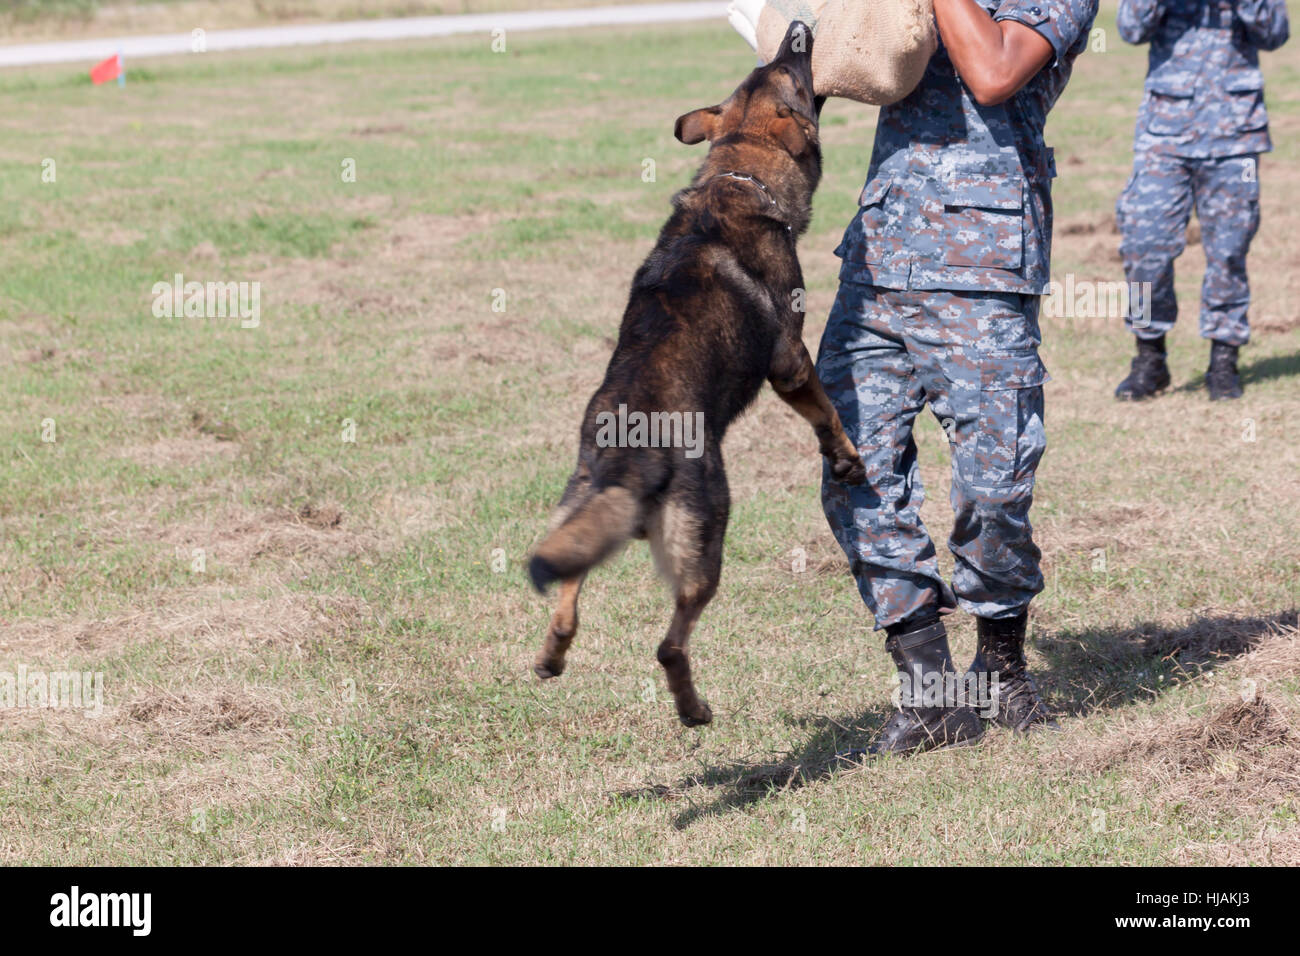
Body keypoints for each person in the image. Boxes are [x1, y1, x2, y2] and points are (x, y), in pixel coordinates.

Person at [818, 0, 1097, 756]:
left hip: (984, 263)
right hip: (878, 259)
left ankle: (1001, 666)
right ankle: (930, 687)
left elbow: (995, 70)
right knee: (852, 465)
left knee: (994, 484)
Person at [1113, 0, 1288, 401]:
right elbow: (1130, 29)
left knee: (1229, 251)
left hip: (1236, 136)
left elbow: (1275, 34)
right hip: (1164, 136)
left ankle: (1224, 359)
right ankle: (1149, 355)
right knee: (1145, 245)